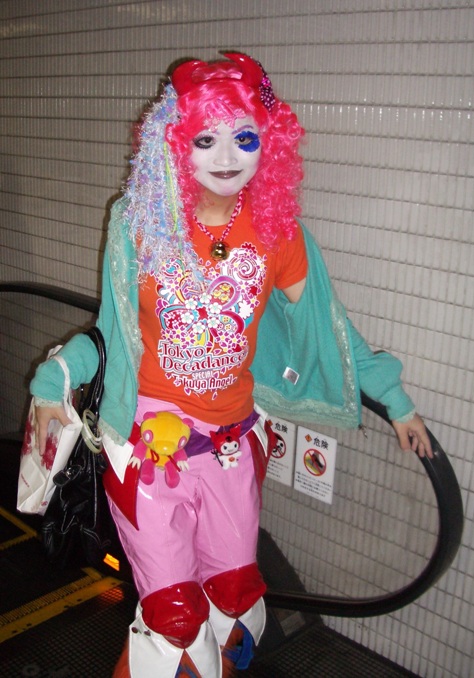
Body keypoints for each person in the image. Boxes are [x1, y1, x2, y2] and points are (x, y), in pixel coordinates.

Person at [30, 52, 432, 678]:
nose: (225, 156)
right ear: (175, 144)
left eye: (244, 137)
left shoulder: (278, 233)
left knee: (236, 601)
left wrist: (394, 397)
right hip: (148, 453)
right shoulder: (137, 227)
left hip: (234, 449)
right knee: (173, 619)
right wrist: (54, 381)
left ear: (267, 146)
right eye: (206, 137)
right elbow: (109, 332)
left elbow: (329, 329)